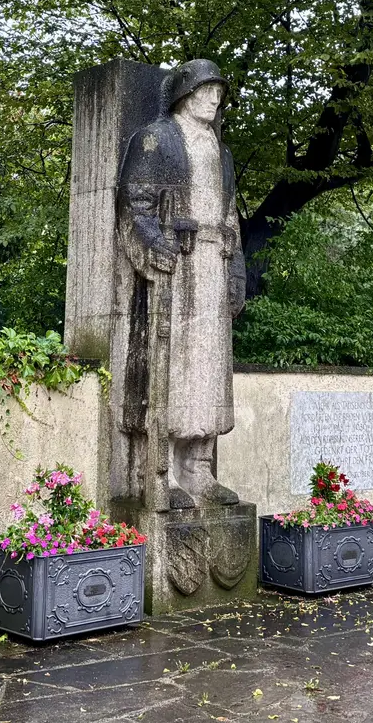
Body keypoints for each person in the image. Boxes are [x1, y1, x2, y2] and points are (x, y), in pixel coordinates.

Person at [116, 59, 245, 508]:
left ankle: (199, 469)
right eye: (208, 90)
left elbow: (231, 218)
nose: (215, 99)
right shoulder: (156, 139)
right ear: (186, 94)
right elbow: (135, 201)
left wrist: (236, 273)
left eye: (219, 93)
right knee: (174, 367)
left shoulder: (221, 152)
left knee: (209, 369)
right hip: (180, 268)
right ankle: (162, 472)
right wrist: (154, 245)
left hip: (213, 265)